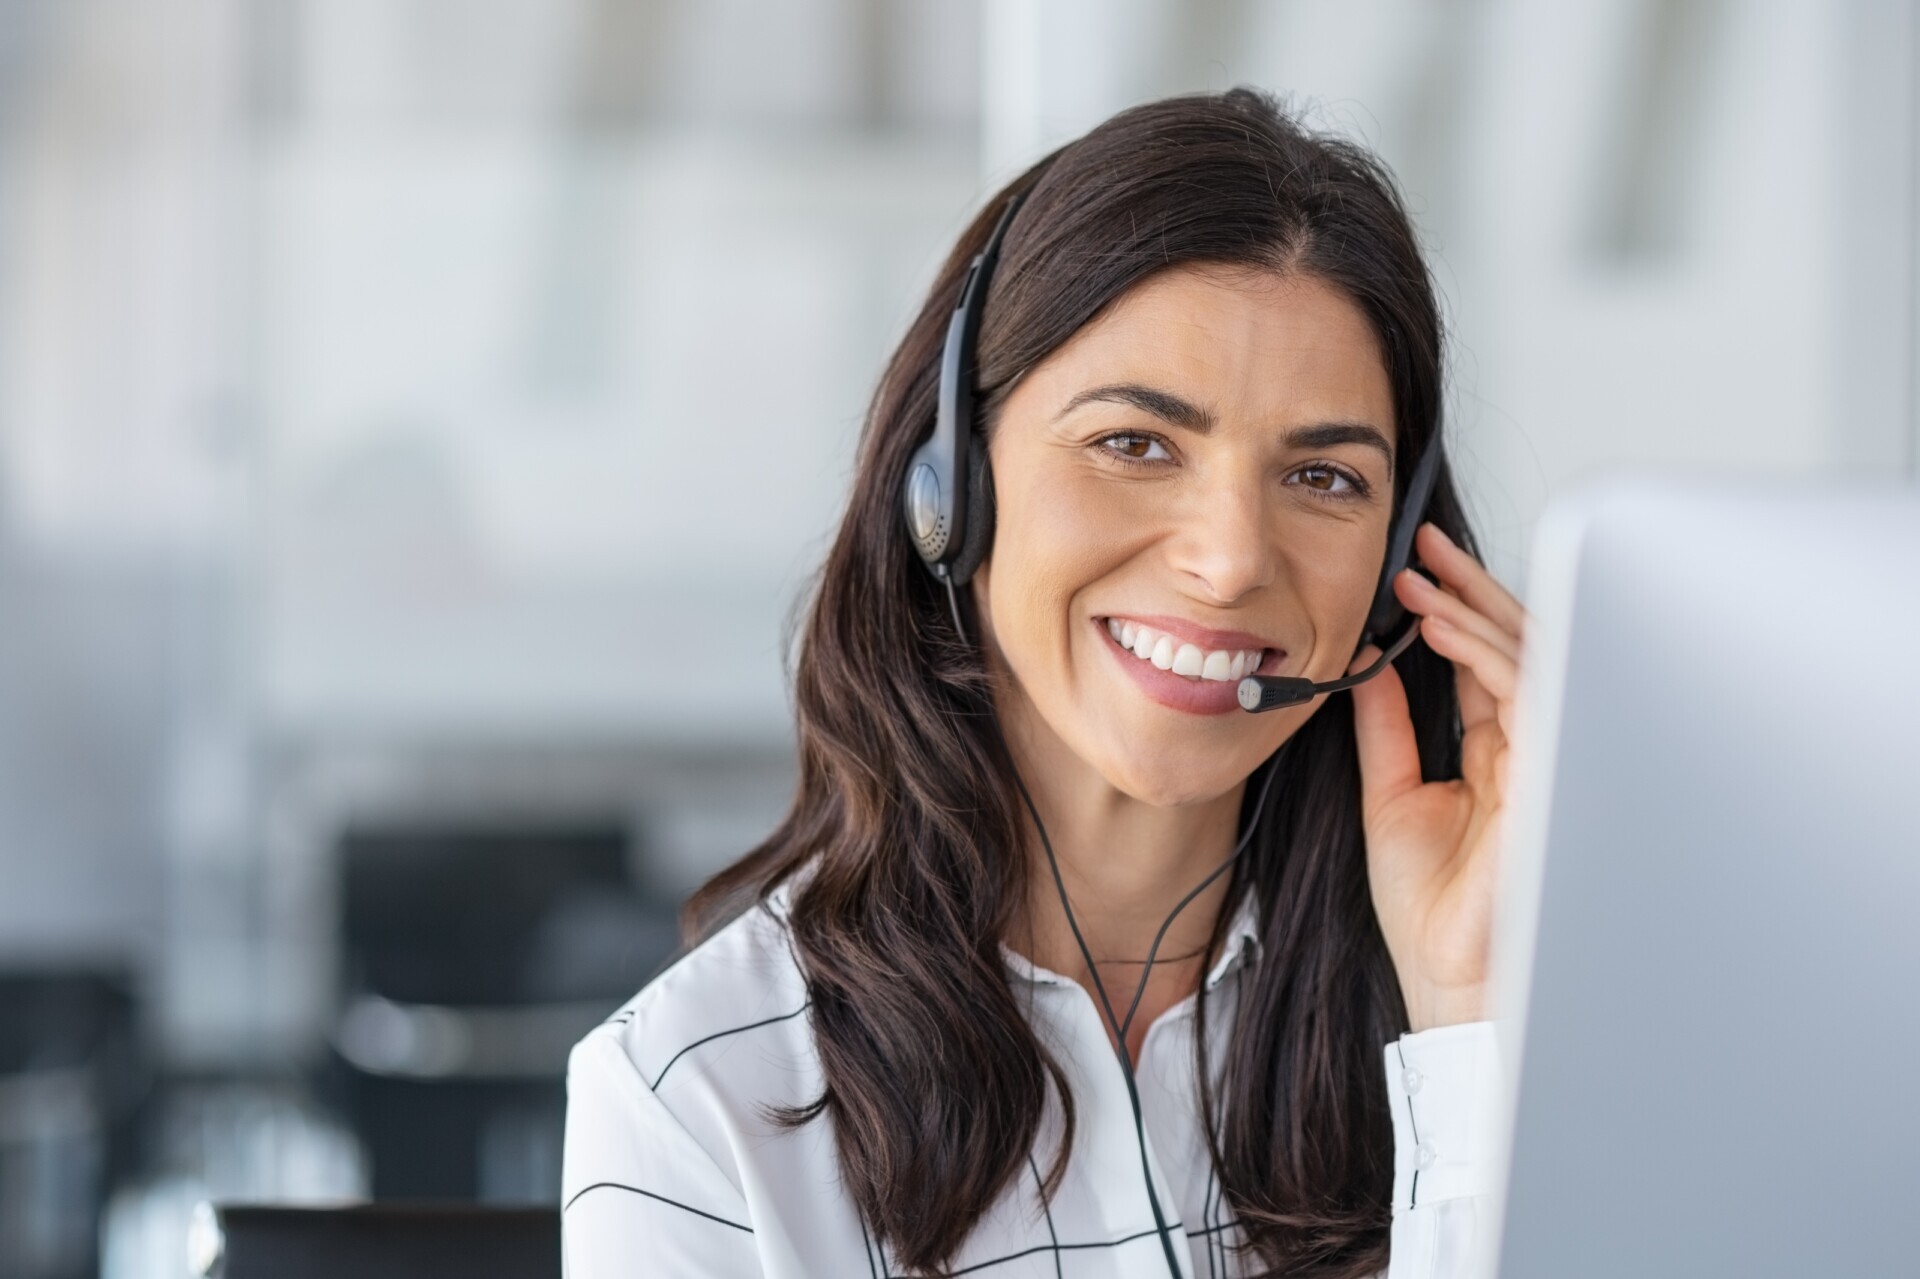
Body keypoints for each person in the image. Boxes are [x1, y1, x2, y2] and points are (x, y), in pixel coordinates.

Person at [562, 86, 1524, 1278]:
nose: (1228, 563)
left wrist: (1468, 1013)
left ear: (1394, 569)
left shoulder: (1497, 1033)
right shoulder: (698, 1095)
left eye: (1323, 476)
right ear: (952, 488)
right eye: (1135, 444)